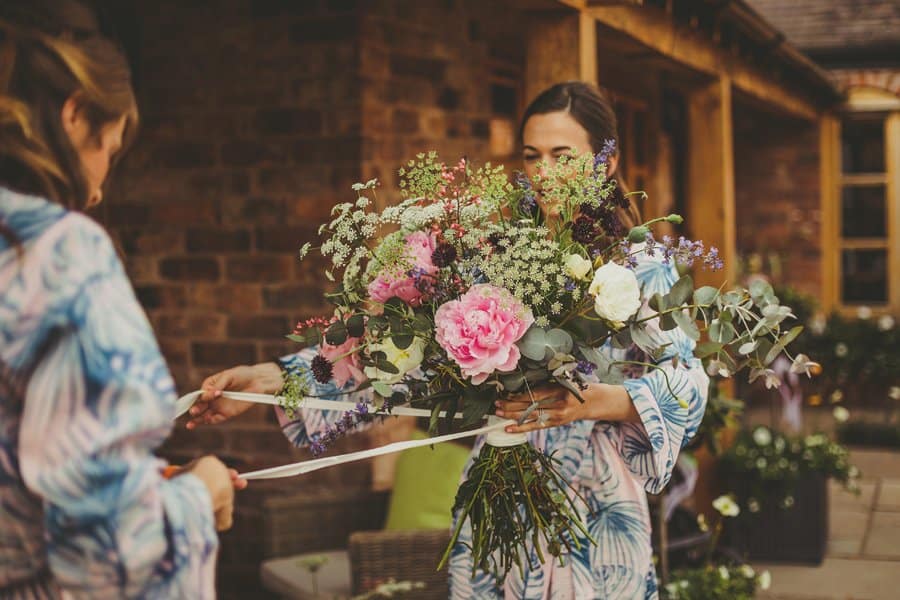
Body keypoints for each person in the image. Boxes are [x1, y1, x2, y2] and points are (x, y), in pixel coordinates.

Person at [189, 82, 708, 599]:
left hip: (598, 510)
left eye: (562, 156)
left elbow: (687, 382)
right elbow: (398, 355)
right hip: (500, 490)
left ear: (604, 163)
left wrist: (596, 403)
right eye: (532, 156)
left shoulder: (642, 268)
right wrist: (275, 380)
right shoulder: (493, 253)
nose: (545, 173)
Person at [0, 1, 245, 597]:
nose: (99, 187)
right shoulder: (60, 258)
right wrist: (199, 490)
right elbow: (109, 550)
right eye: (107, 149)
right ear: (75, 114)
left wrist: (139, 481)